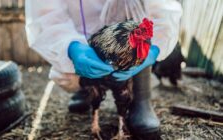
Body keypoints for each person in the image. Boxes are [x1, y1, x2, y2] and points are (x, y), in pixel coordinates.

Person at [25, 0, 182, 138]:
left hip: (128, 31)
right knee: (88, 82)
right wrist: (71, 47)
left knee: (123, 88)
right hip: (81, 32)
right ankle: (85, 89)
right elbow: (45, 14)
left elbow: (163, 7)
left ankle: (141, 98)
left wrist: (154, 48)